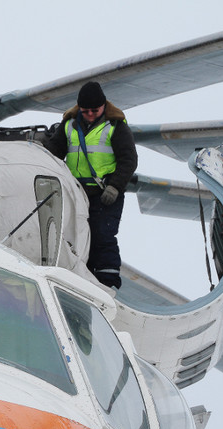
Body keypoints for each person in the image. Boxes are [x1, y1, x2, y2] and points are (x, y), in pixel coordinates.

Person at [44, 81, 138, 289]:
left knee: (102, 235)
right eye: (85, 111)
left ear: (103, 106)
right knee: (74, 236)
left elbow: (128, 160)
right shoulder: (69, 125)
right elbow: (54, 153)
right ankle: (81, 277)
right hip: (76, 193)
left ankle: (108, 283)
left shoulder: (115, 127)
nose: (90, 115)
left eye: (95, 111)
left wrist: (114, 187)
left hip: (105, 193)